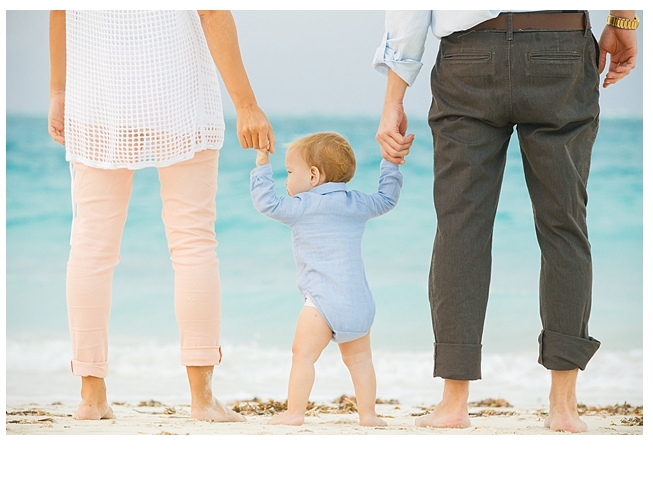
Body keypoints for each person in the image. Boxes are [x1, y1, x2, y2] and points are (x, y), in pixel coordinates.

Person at [373, 10, 639, 431]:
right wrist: (624, 21)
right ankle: (564, 405)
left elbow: (409, 9)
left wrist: (393, 99)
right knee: (563, 226)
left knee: (460, 228)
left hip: (468, 57)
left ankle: (453, 402)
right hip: (561, 49)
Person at [49, 10, 275, 421]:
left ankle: (91, 397)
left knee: (91, 248)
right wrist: (247, 104)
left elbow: (59, 10)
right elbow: (210, 10)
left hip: (98, 98)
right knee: (193, 243)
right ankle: (202, 400)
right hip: (178, 94)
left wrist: (57, 91)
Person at [250, 133, 402, 426]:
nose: (286, 180)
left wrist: (261, 163)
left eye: (289, 172)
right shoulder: (357, 203)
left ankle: (295, 413)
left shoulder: (302, 206)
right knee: (360, 362)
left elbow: (267, 203)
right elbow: (387, 199)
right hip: (358, 304)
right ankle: (368, 415)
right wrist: (390, 164)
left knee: (302, 356)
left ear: (314, 175)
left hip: (321, 302)